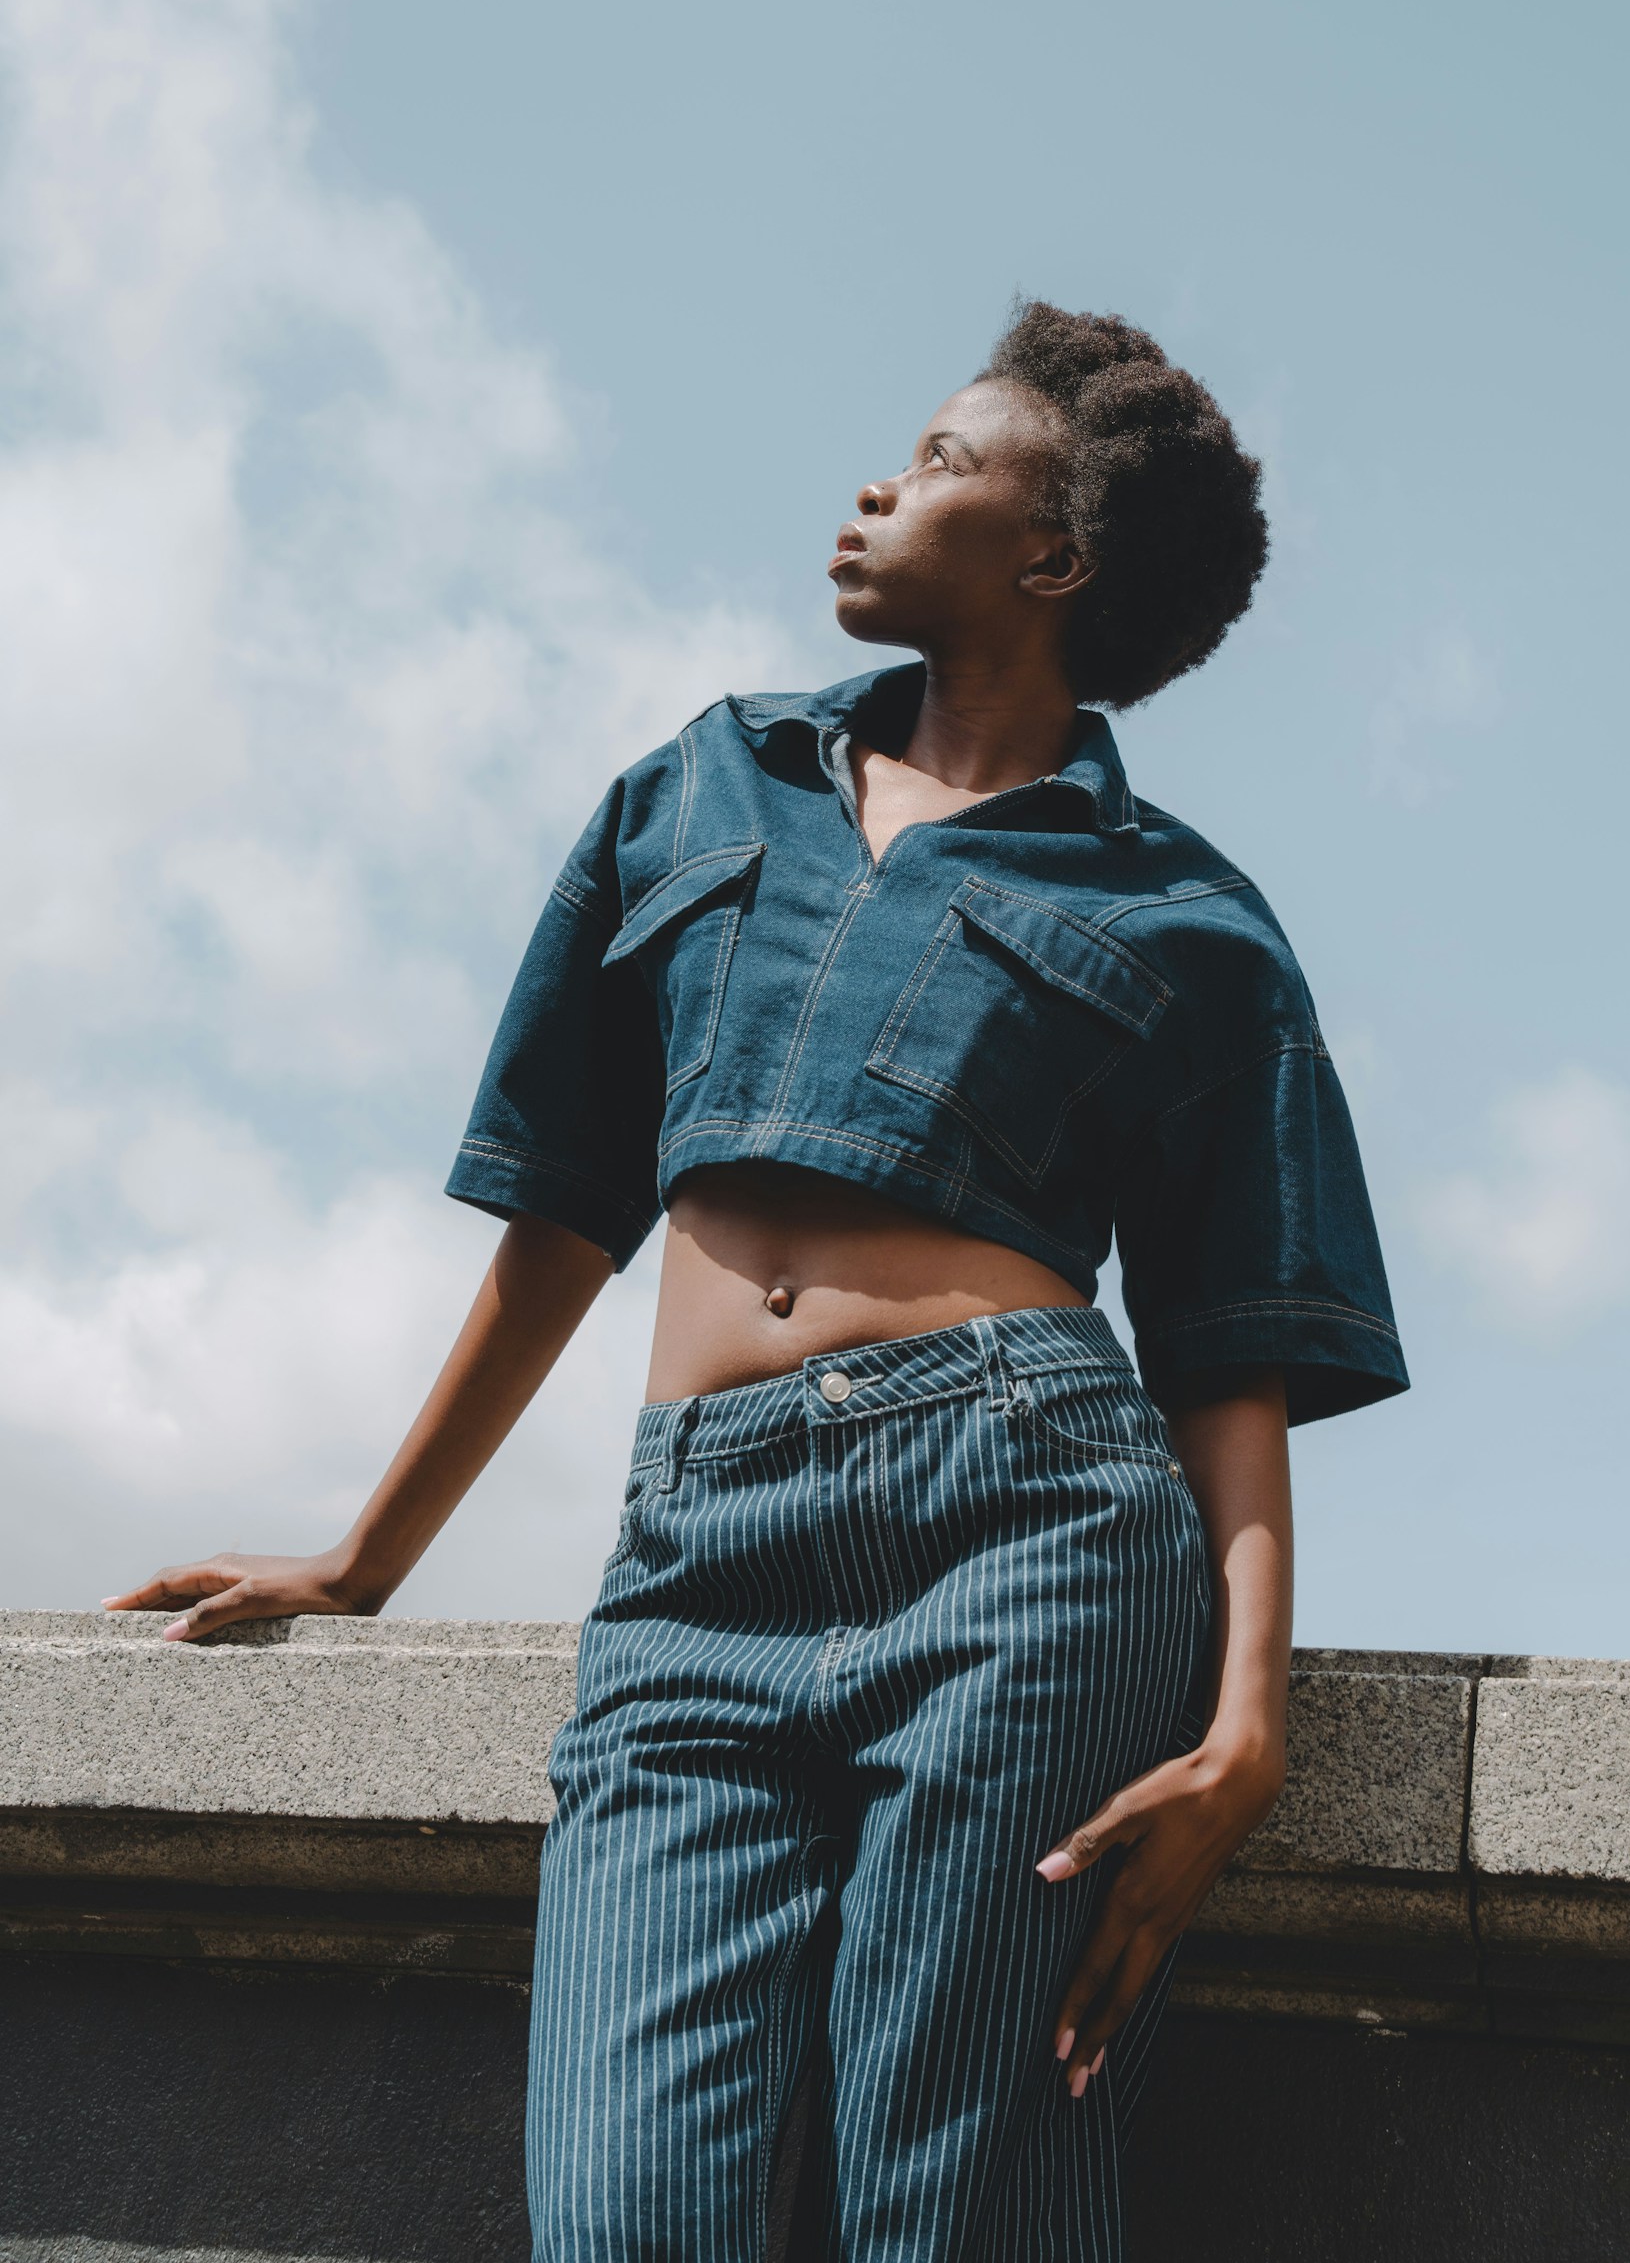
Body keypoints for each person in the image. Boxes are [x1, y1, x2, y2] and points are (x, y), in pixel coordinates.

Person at [111, 303, 1408, 2263]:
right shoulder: (702, 787)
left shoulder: (1188, 914)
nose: (878, 483)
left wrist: (1248, 1727)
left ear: (1055, 556)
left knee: (955, 2208)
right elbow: (562, 1215)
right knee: (623, 2215)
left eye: (943, 460)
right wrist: (365, 1560)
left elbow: (1231, 1350)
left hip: (1030, 1535)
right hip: (694, 1566)